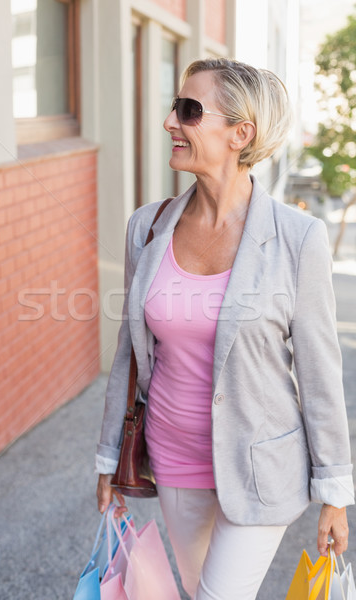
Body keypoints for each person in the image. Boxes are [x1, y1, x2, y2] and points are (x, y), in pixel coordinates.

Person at [95, 57, 354, 600]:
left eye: (189, 111)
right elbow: (128, 353)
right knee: (196, 590)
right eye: (174, 107)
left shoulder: (297, 239)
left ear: (241, 133)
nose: (170, 122)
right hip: (172, 455)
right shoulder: (147, 227)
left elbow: (321, 371)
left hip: (260, 467)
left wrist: (334, 491)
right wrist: (108, 461)